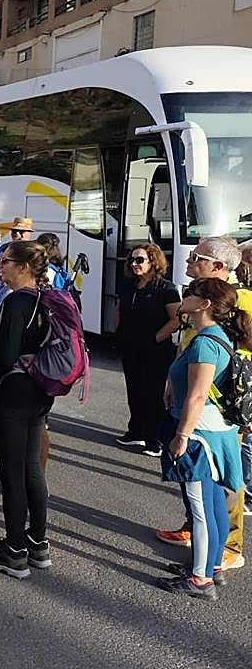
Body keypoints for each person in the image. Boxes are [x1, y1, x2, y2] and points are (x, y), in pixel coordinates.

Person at [155, 236, 251, 572]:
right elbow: (186, 346)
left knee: (222, 486)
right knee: (201, 489)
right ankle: (200, 541)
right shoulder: (202, 309)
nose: (188, 262)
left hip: (216, 410)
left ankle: (224, 549)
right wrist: (172, 382)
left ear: (220, 267)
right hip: (195, 402)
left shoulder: (243, 302)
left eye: (197, 257)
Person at [0, 241, 55, 580]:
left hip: (13, 393)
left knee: (12, 474)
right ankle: (37, 542)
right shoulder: (45, 299)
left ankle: (15, 551)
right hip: (38, 390)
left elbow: (3, 358)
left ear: (22, 267)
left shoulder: (15, 301)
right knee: (32, 467)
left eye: (4, 262)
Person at [115, 244, 179, 457]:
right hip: (130, 347)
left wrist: (155, 338)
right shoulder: (128, 285)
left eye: (140, 260)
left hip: (156, 351)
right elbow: (119, 309)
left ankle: (155, 439)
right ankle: (136, 431)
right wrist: (119, 332)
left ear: (153, 261)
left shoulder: (166, 289)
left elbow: (176, 319)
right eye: (132, 260)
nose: (134, 264)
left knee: (153, 393)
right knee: (134, 390)